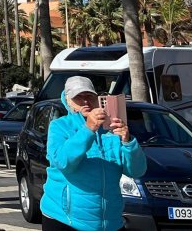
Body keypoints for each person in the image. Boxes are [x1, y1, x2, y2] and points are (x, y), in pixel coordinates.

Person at [40, 76, 145, 231]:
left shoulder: (111, 129)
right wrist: (88, 130)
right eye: (78, 97)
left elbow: (137, 170)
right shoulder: (60, 126)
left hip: (110, 223)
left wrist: (128, 142)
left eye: (89, 96)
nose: (85, 102)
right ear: (68, 101)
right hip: (65, 220)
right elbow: (63, 162)